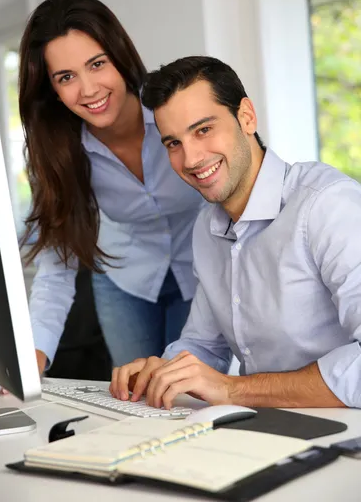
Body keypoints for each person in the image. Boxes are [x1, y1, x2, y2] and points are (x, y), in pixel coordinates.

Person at [0, 0, 204, 398]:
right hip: (125, 281)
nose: (88, 89)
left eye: (97, 64)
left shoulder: (174, 109)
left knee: (186, 396)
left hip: (203, 272)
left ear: (119, 55)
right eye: (66, 77)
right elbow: (57, 267)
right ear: (52, 90)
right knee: (138, 399)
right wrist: (31, 354)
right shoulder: (57, 153)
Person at [110, 55, 361, 409]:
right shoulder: (206, 228)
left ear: (246, 116)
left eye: (203, 130)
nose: (192, 159)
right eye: (173, 143)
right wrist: (163, 371)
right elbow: (204, 345)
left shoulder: (327, 205)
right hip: (261, 431)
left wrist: (234, 390)